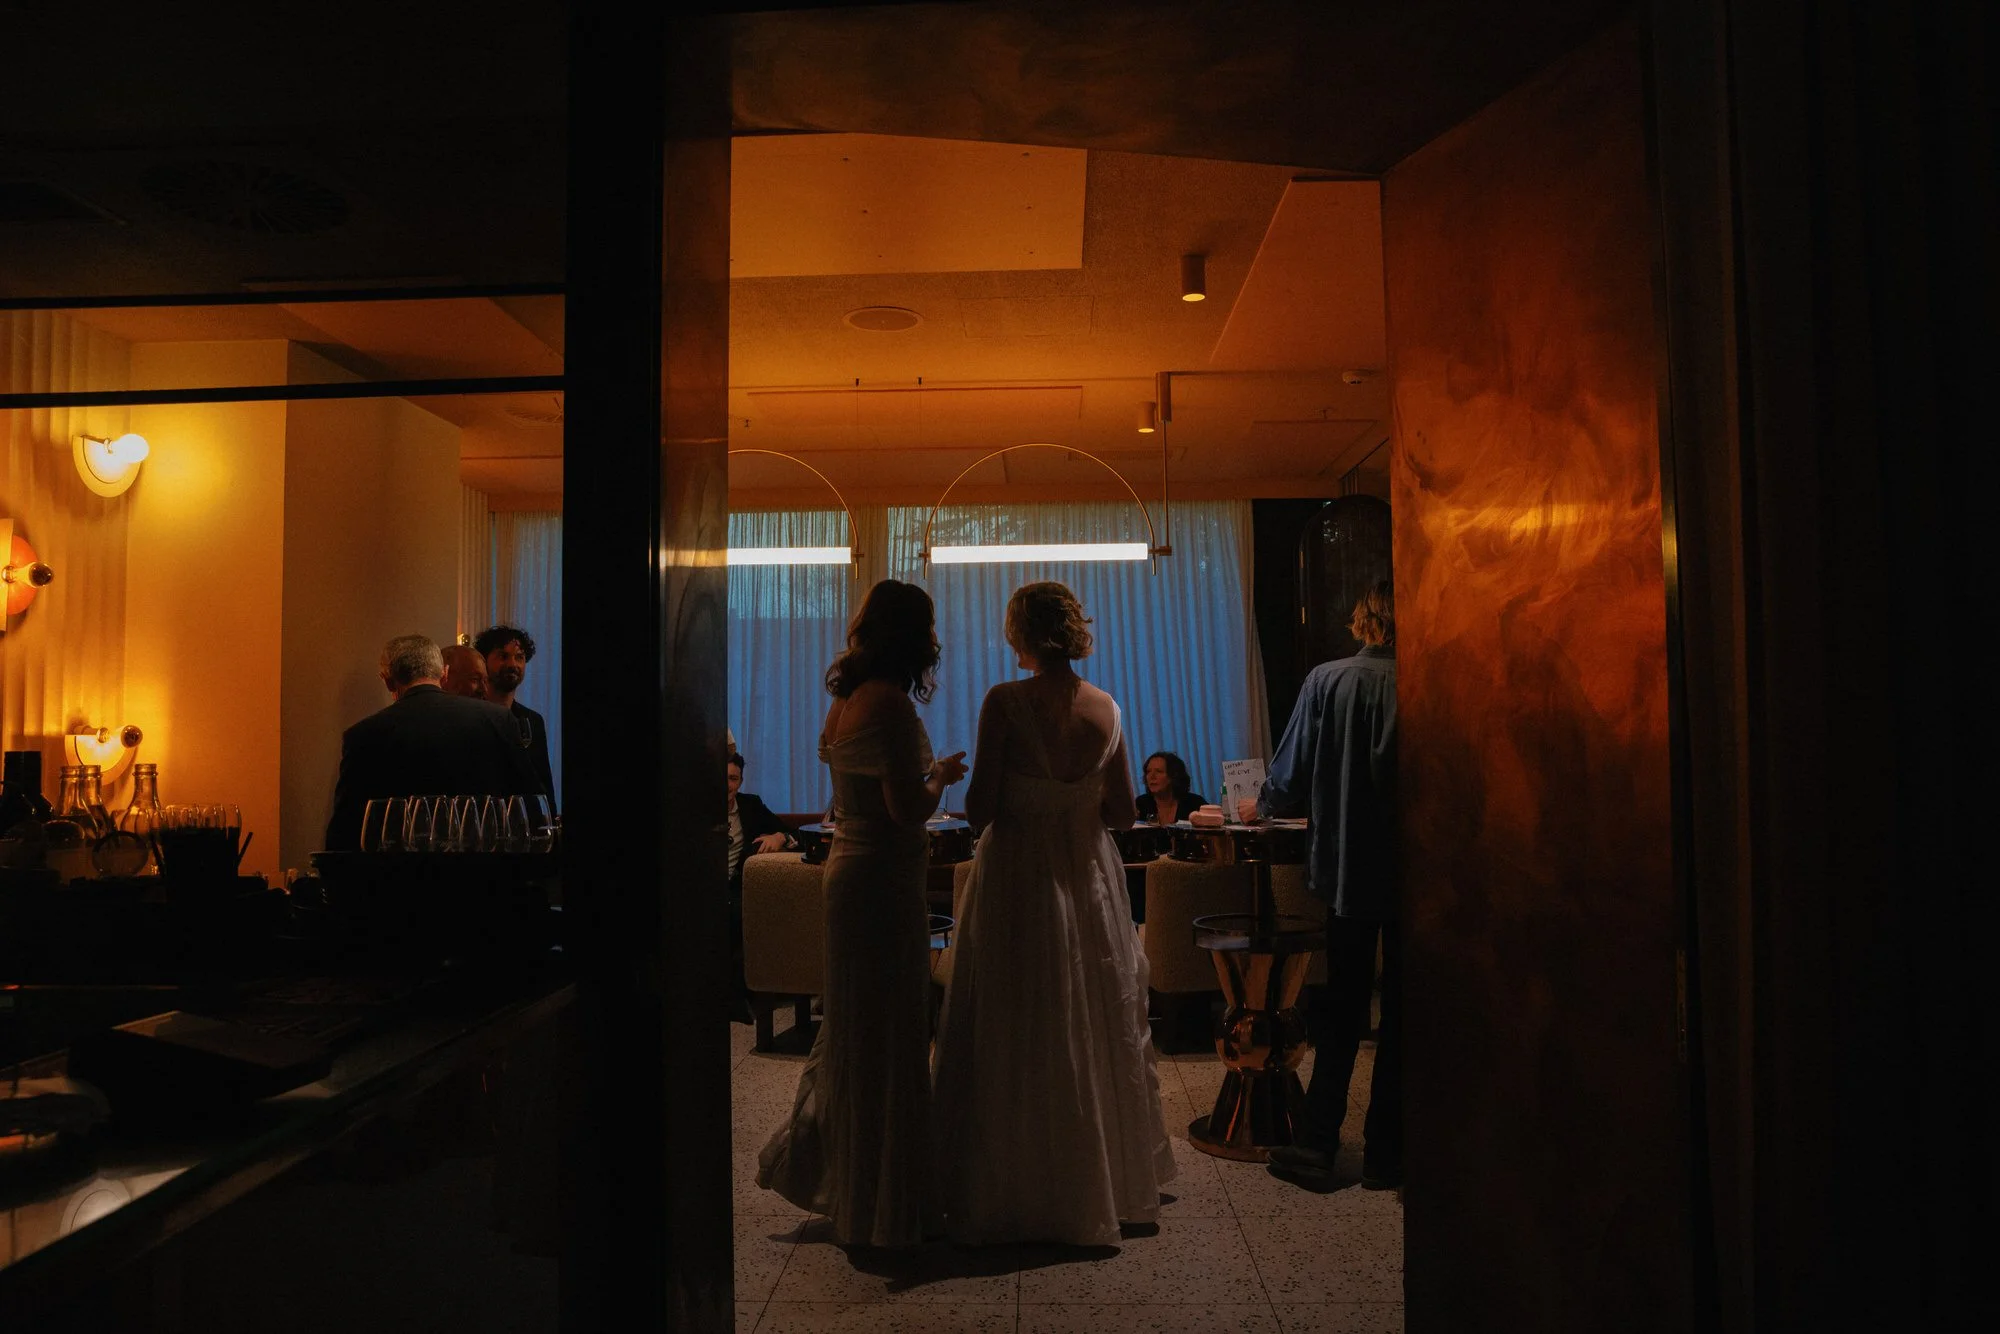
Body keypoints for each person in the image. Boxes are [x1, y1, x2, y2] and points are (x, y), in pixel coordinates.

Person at [931, 581, 1175, 1246]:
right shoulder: (1106, 708)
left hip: (1018, 876)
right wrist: (1075, 802)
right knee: (1094, 1018)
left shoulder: (1005, 702)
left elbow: (980, 809)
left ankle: (1014, 1184)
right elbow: (1123, 814)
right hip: (1088, 878)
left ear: (1020, 632)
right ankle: (1106, 1181)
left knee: (1017, 1018)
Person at [757, 580, 967, 1247]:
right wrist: (942, 777)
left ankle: (848, 1186)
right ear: (915, 636)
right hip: (882, 877)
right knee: (890, 1030)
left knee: (854, 1026)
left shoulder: (843, 702)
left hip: (847, 870)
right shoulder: (891, 704)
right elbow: (908, 808)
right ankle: (885, 1205)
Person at [1240, 579, 1401, 1191]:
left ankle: (1317, 1143)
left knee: (1342, 1009)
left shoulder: (1327, 681)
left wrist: (1262, 804)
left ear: (1362, 620)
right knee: (1405, 1014)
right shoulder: (1433, 679)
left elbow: (1287, 779)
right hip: (1416, 875)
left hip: (1346, 872)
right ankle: (1389, 1153)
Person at [324, 634, 538, 850]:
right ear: (444, 674)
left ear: (387, 680)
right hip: (485, 864)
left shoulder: (362, 735)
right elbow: (530, 805)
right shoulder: (498, 719)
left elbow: (345, 830)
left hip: (398, 867)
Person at [727, 751, 797, 1023]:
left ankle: (736, 998)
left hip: (738, 887)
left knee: (745, 912)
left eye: (733, 779)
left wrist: (779, 837)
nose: (727, 785)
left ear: (741, 782)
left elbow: (793, 833)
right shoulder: (694, 807)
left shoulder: (750, 805)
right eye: (722, 778)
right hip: (702, 888)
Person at [475, 623, 555, 804]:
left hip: (522, 817)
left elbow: (543, 784)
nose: (512, 664)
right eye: (503, 656)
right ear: (483, 661)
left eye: (519, 657)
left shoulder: (532, 721)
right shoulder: (472, 716)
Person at [1134, 750, 1208, 825]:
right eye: (1148, 771)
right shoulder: (1141, 804)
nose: (1152, 776)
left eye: (1159, 771)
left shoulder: (1195, 803)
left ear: (1173, 776)